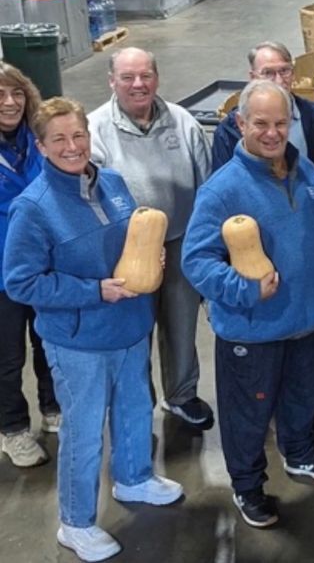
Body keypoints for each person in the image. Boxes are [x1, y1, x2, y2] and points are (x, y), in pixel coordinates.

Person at [5, 97, 183, 562]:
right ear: (41, 147)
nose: (72, 146)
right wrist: (94, 291)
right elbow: (21, 281)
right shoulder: (34, 207)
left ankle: (134, 478)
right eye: (59, 139)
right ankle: (75, 523)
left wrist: (152, 260)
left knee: (135, 410)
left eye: (78, 135)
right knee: (83, 434)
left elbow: (131, 245)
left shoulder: (115, 185)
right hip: (79, 340)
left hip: (130, 326)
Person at [182, 81, 314, 529]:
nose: (272, 133)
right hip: (253, 330)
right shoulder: (222, 190)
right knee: (247, 417)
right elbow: (196, 261)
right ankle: (247, 486)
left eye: (280, 123)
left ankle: (300, 455)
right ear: (240, 124)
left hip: (308, 319)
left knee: (302, 398)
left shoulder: (304, 170)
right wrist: (247, 290)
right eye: (261, 124)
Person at [210, 40, 314, 422]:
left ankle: (310, 409)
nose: (273, 132)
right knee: (264, 373)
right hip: (258, 267)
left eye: (283, 70)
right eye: (267, 73)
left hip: (305, 265)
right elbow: (219, 223)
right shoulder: (227, 148)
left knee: (307, 351)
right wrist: (237, 284)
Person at [87, 47, 214, 428]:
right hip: (126, 249)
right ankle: (137, 400)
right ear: (112, 81)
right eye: (127, 77)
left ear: (157, 78)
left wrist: (204, 243)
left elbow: (207, 185)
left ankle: (181, 394)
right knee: (133, 328)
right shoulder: (95, 129)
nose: (138, 85)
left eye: (146, 75)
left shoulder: (183, 122)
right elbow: (91, 197)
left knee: (181, 322)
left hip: (179, 240)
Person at [0, 63, 59, 468]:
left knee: (48, 342)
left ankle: (54, 409)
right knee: (7, 358)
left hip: (44, 264)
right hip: (1, 272)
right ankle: (13, 430)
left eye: (17, 93)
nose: (10, 103)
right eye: (1, 95)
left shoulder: (37, 139)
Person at [211, 41, 314, 171]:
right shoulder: (228, 131)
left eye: (284, 71)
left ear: (293, 74)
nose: (278, 80)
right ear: (253, 77)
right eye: (268, 73)